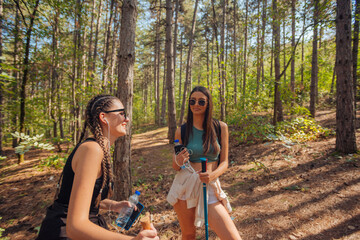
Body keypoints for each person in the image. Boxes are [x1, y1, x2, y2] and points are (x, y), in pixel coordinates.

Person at [37, 94, 159, 240]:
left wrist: (114, 205)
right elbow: (75, 227)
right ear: (104, 117)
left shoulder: (99, 149)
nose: (126, 119)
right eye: (121, 113)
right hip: (62, 232)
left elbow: (84, 199)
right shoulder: (91, 150)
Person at [167, 86, 242, 240]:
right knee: (188, 235)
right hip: (185, 187)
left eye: (201, 101)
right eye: (192, 101)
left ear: (208, 104)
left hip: (209, 186)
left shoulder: (220, 127)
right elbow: (176, 166)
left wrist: (212, 175)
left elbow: (225, 162)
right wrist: (178, 160)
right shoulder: (181, 131)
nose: (196, 104)